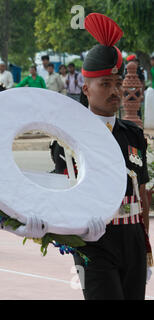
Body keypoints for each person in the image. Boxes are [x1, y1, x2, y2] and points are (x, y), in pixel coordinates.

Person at [52, 13, 151, 300]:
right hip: (93, 241)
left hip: (132, 238)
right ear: (86, 89)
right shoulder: (68, 139)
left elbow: (141, 192)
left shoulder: (132, 135)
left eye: (116, 83)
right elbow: (61, 194)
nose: (114, 91)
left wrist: (145, 248)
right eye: (104, 84)